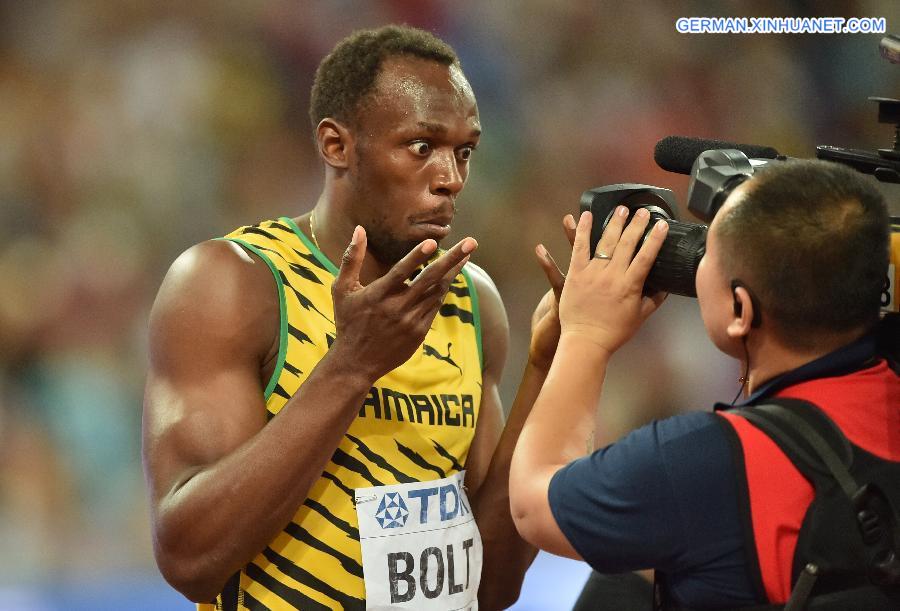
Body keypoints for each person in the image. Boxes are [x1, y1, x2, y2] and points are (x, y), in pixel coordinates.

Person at [142, 24, 559, 610]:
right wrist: (350, 367)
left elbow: (489, 585)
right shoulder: (233, 283)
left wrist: (551, 363)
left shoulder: (469, 301)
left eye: (464, 151)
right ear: (337, 146)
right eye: (422, 147)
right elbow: (189, 559)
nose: (452, 179)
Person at [509, 159, 900, 609]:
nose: (693, 259)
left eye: (708, 252)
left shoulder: (700, 464)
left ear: (741, 311)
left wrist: (586, 336)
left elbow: (533, 501)